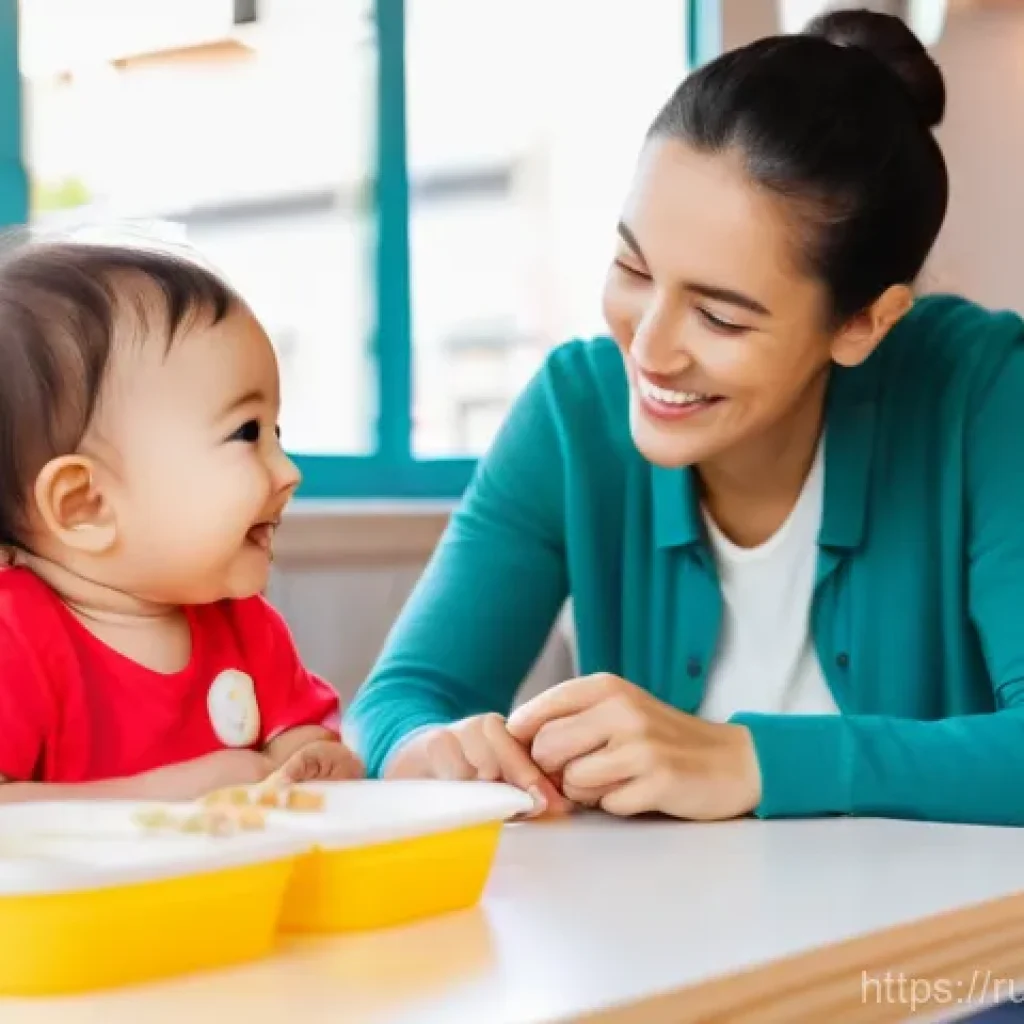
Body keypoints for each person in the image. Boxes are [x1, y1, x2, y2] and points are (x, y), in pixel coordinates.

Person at [345, 10, 1024, 826]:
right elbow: (405, 697)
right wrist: (429, 748)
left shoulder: (982, 392)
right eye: (633, 267)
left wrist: (747, 761)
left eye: (722, 318)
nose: (651, 349)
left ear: (863, 324)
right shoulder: (577, 409)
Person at [0, 239, 363, 801]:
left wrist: (309, 760)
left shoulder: (247, 625)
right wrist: (161, 794)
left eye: (276, 433)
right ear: (85, 505)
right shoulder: (15, 636)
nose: (288, 472)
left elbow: (303, 739)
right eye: (246, 433)